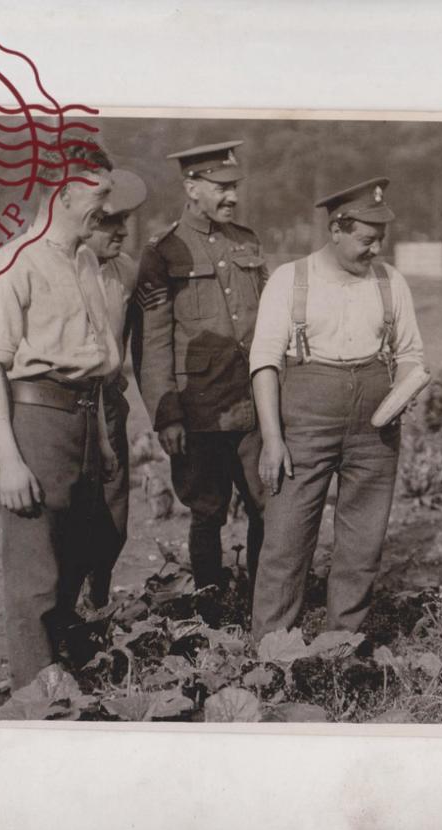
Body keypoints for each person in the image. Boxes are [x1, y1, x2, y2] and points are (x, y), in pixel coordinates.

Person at [249, 177, 426, 639]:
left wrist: (406, 388)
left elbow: (410, 353)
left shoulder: (392, 282)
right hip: (305, 418)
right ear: (336, 229)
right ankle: (271, 648)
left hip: (375, 426)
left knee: (362, 543)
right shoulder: (291, 279)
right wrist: (272, 438)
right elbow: (264, 361)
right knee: (286, 540)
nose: (375, 249)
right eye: (366, 240)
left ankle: (343, 644)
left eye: (381, 239)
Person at [0, 145, 117, 691]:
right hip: (36, 423)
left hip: (82, 419)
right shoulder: (11, 263)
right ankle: (36, 692)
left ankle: (64, 669)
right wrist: (8, 461)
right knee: (36, 568)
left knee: (79, 551)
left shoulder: (82, 261)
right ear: (63, 194)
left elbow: (92, 362)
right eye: (98, 195)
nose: (106, 207)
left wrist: (98, 439)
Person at [131, 140, 268, 593]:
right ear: (192, 187)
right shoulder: (164, 252)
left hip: (252, 406)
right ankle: (211, 608)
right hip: (200, 411)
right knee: (207, 511)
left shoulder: (247, 242)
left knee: (266, 503)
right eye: (221, 187)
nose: (233, 197)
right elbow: (152, 342)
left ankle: (261, 603)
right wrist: (166, 414)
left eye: (235, 187)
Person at [80, 167, 150, 607]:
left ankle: (98, 605)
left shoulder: (125, 272)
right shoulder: (60, 267)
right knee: (69, 516)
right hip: (65, 404)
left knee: (113, 516)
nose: (122, 231)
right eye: (111, 222)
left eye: (125, 222)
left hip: (107, 400)